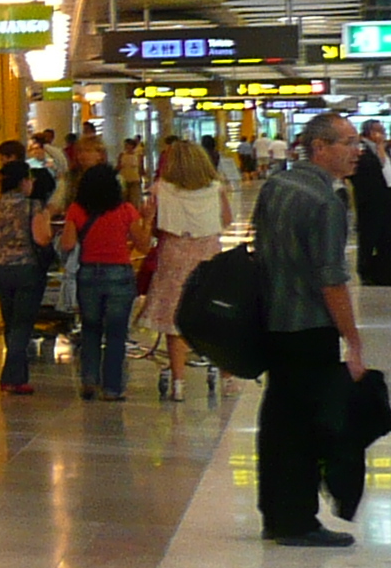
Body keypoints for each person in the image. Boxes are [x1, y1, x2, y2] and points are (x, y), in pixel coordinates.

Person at [250, 112, 365, 545]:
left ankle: (275, 513)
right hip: (309, 326)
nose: (357, 152)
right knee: (305, 426)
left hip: (273, 322)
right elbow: (331, 279)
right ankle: (298, 520)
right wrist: (353, 341)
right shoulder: (325, 203)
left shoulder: (276, 187)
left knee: (279, 418)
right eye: (348, 143)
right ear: (320, 147)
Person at [146, 137, 229, 401]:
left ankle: (178, 383)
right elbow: (226, 221)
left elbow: (153, 226)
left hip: (173, 255)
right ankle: (220, 372)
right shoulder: (216, 188)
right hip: (208, 256)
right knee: (208, 315)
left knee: (174, 319)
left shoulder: (160, 189)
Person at [58, 162, 148, 402]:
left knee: (90, 330)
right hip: (119, 274)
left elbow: (67, 245)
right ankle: (112, 388)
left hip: (88, 275)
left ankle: (89, 380)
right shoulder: (126, 210)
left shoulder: (76, 210)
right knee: (117, 334)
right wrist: (147, 219)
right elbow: (144, 245)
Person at [0, 159, 47, 394]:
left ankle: (18, 378)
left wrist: (2, 250)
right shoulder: (33, 207)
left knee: (10, 322)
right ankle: (10, 377)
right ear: (23, 182)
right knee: (22, 325)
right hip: (27, 269)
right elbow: (40, 238)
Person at [353, 125, 391, 289]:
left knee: (384, 238)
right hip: (370, 203)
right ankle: (366, 272)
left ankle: (382, 271)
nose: (383, 134)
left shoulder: (381, 150)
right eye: (379, 131)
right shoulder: (362, 152)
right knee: (369, 238)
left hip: (383, 203)